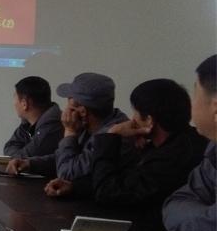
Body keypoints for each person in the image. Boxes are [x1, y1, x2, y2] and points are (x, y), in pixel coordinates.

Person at [43, 79, 208, 209]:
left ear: (149, 120)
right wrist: (75, 187)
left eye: (135, 112)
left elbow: (110, 194)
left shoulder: (173, 156)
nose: (132, 119)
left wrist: (110, 137)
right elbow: (126, 181)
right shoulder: (170, 143)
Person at [7, 72, 136, 179]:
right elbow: (65, 158)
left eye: (69, 100)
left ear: (82, 111)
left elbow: (67, 173)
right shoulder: (90, 126)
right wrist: (30, 164)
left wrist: (69, 132)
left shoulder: (113, 136)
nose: (65, 108)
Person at [162, 55, 216, 231]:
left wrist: (207, 223)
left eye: (195, 95)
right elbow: (176, 203)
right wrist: (206, 219)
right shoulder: (214, 150)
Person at [3, 76, 63, 158]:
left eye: (15, 98)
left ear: (24, 104)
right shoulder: (27, 123)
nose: (14, 103)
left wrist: (16, 156)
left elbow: (24, 158)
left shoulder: (52, 126)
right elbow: (9, 147)